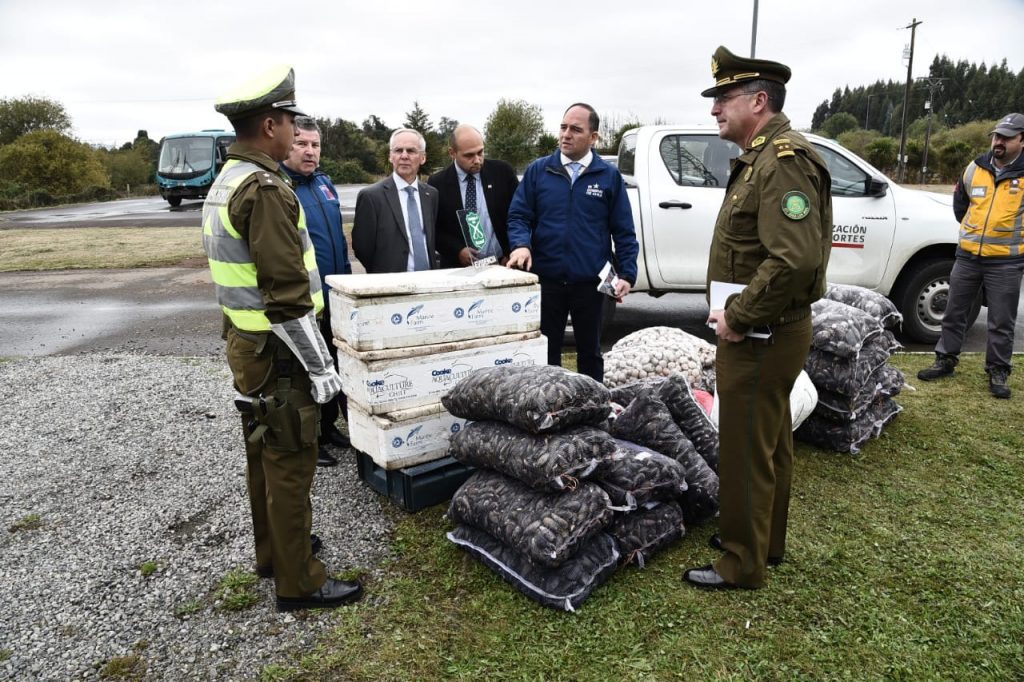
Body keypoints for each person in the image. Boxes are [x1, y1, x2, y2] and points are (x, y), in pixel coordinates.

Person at [201, 65, 362, 611]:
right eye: (291, 121)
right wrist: (322, 369)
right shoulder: (266, 189)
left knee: (262, 455)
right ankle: (301, 580)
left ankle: (274, 554)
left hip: (247, 347)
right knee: (291, 462)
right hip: (281, 353)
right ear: (270, 125)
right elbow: (288, 297)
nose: (297, 131)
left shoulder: (226, 180)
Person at [682, 46, 832, 590]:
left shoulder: (782, 159)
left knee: (746, 442)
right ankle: (762, 540)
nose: (715, 109)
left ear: (759, 101)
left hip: (763, 331)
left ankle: (742, 564)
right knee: (768, 438)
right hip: (769, 329)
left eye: (724, 97)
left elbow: (794, 258)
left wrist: (740, 317)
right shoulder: (764, 156)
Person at [506, 103, 638, 383]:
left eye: (576, 129)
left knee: (590, 353)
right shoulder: (539, 171)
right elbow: (518, 215)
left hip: (590, 284)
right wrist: (521, 244)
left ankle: (592, 413)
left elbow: (623, 230)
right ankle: (547, 413)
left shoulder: (608, 176)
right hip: (547, 280)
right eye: (563, 127)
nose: (566, 134)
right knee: (546, 354)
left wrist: (627, 273)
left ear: (593, 138)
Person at [916, 113, 1024, 399]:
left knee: (1001, 320)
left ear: (1021, 141)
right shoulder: (975, 167)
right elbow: (960, 205)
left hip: (1006, 261)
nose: (998, 141)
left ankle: (998, 370)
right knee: (953, 311)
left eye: (1006, 137)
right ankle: (945, 360)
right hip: (967, 256)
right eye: (996, 136)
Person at [280, 116, 352, 466]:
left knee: (333, 363)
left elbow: (338, 238)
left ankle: (328, 427)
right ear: (287, 146)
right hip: (305, 300)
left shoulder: (325, 184)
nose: (310, 152)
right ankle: (309, 440)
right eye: (301, 144)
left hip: (334, 294)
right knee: (307, 369)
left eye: (315, 145)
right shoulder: (280, 187)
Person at [427, 124, 519, 267]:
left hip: (503, 264)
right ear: (452, 153)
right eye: (469, 155)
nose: (477, 160)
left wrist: (511, 252)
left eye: (480, 152)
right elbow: (434, 229)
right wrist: (457, 251)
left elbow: (519, 216)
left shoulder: (502, 172)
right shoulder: (437, 183)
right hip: (459, 270)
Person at [351, 128, 439, 273]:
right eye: (398, 150)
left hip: (429, 282)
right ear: (391, 156)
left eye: (411, 151)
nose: (404, 156)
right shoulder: (371, 197)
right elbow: (362, 248)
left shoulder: (431, 194)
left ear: (423, 158)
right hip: (389, 284)